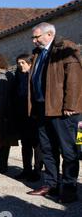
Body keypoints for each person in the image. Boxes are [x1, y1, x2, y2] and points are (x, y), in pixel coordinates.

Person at [27, 22, 82, 204]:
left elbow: (74, 79)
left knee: (68, 150)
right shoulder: (37, 54)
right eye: (33, 37)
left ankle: (69, 187)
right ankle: (51, 184)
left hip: (62, 110)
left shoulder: (65, 48)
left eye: (37, 37)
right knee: (47, 149)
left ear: (49, 34)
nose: (34, 41)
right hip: (43, 109)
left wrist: (70, 105)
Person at [12, 54, 43, 182]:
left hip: (34, 115)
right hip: (22, 115)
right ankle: (26, 170)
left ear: (30, 64)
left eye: (23, 63)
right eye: (19, 63)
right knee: (25, 144)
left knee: (36, 145)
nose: (20, 65)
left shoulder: (35, 76)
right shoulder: (18, 76)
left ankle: (37, 171)